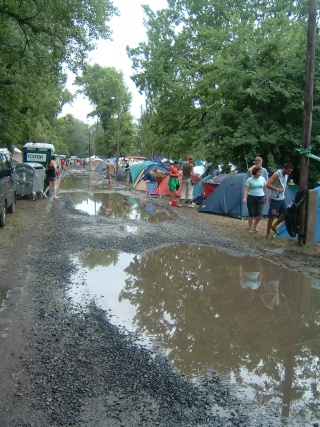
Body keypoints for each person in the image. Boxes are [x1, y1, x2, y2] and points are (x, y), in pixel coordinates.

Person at [265, 163, 293, 239]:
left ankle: (274, 226)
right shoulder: (277, 174)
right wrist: (277, 189)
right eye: (289, 171)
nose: (289, 173)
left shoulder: (286, 175)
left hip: (282, 198)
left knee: (286, 214)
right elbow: (267, 184)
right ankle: (268, 234)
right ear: (284, 169)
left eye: (291, 171)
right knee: (272, 216)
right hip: (275, 199)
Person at [243, 166, 267, 232]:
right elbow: (246, 189)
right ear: (255, 172)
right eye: (259, 172)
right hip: (251, 197)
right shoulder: (250, 179)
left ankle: (255, 225)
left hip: (261, 197)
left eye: (261, 172)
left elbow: (265, 188)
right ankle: (250, 228)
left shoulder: (263, 179)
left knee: (260, 213)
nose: (260, 173)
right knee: (251, 213)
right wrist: (244, 198)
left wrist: (266, 197)